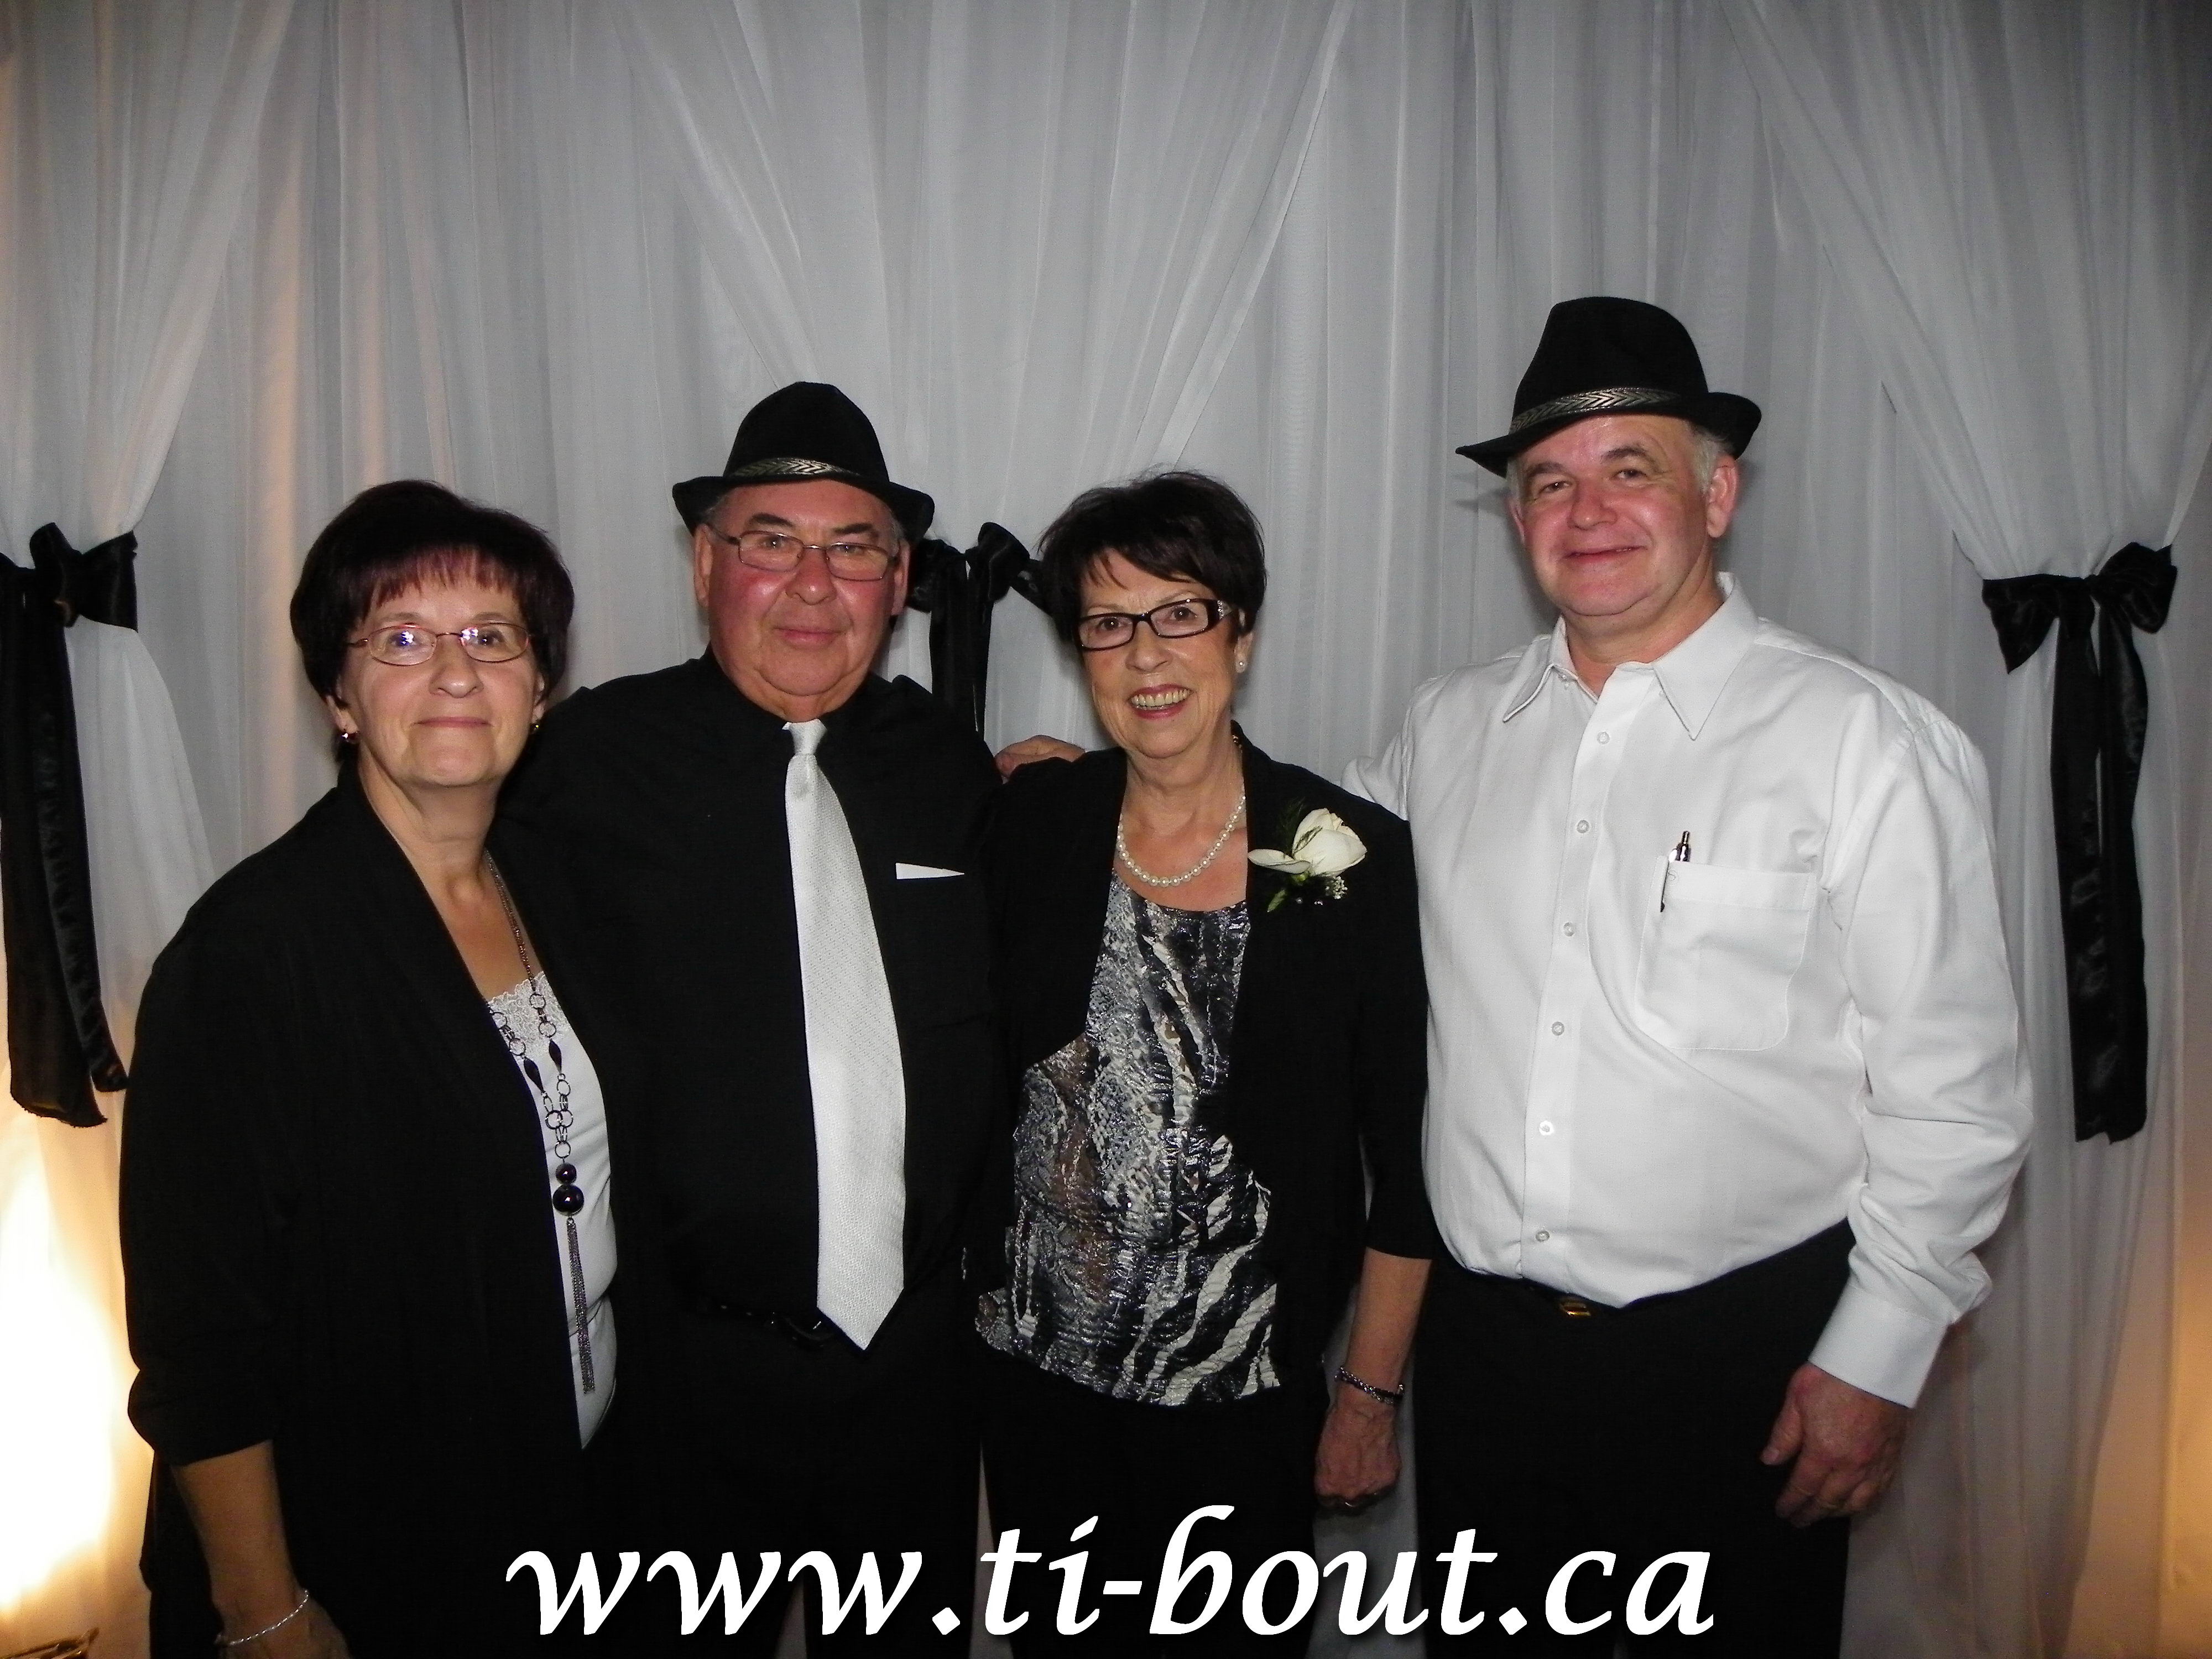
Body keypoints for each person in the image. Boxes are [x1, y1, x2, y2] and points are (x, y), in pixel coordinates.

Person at [1346, 296, 2033, 1655]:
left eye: (1629, 469)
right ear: (1514, 519)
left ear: (1716, 496)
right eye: (1548, 481)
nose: (1585, 510)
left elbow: (1954, 1098)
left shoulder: (1862, 740)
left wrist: (1875, 1354)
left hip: (1742, 1366)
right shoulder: (1446, 729)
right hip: (1484, 1368)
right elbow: (1295, 865)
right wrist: (1113, 786)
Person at [502, 382, 998, 1652]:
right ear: (703, 564)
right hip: (679, 1387)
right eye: (772, 542)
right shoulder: (582, 767)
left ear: (899, 581)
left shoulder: (948, 768)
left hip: (913, 1381)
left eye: (853, 549)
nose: (813, 586)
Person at [121, 481, 636, 1655]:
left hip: (564, 1511)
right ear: (337, 694)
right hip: (363, 1549)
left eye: (492, 638)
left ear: (539, 688)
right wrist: (262, 1607)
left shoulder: (555, 893)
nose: (454, 673)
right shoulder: (253, 952)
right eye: (401, 640)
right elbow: (202, 1338)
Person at [978, 472, 1436, 1654]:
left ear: (1242, 631)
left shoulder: (1347, 859)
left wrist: (1366, 1397)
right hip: (1036, 1392)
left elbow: (1405, 1164)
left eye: (1179, 612)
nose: (1146, 656)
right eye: (1108, 623)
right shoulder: (1036, 822)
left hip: (1239, 1408)